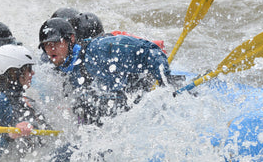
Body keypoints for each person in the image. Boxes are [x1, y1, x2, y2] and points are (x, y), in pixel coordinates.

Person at [38, 17, 171, 125]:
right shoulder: (61, 68)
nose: (51, 49)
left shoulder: (98, 50)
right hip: (109, 125)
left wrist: (166, 82)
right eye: (47, 45)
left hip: (138, 109)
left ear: (71, 39)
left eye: (56, 43)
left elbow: (149, 51)